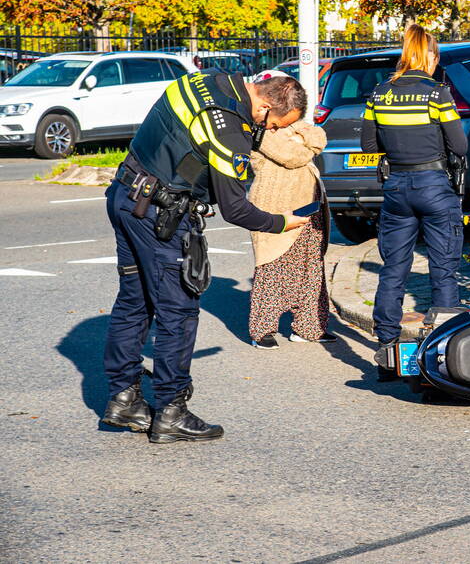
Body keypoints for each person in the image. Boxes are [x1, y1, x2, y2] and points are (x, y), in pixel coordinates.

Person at [101, 72, 309, 444]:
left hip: (124, 196)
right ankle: (171, 410)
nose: (268, 132)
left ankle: (124, 397)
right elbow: (235, 209)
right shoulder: (230, 131)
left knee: (134, 301)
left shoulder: (207, 80)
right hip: (159, 214)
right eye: (274, 125)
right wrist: (281, 223)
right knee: (177, 311)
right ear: (263, 106)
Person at [361, 25, 467, 361]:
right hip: (434, 186)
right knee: (443, 267)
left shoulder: (379, 93)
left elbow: (368, 144)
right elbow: (460, 146)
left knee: (394, 267)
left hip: (396, 189)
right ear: (430, 56)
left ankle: (387, 346)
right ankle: (444, 350)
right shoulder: (437, 93)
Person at [247, 117, 336, 349]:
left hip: (309, 202)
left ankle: (309, 327)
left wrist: (299, 135)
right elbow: (290, 156)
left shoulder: (294, 123)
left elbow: (320, 136)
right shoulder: (262, 128)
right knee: (272, 264)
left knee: (311, 267)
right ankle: (262, 330)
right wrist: (303, 142)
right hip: (277, 203)